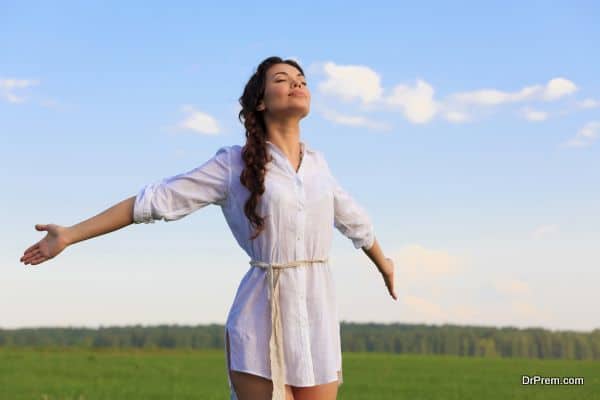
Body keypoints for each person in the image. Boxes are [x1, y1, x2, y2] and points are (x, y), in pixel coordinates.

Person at [19, 56, 397, 400]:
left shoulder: (318, 165)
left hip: (317, 312)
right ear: (261, 102)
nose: (297, 83)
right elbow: (153, 201)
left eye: (301, 79)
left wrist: (384, 263)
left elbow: (355, 221)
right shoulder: (233, 165)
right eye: (282, 79)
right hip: (261, 313)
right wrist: (69, 234)